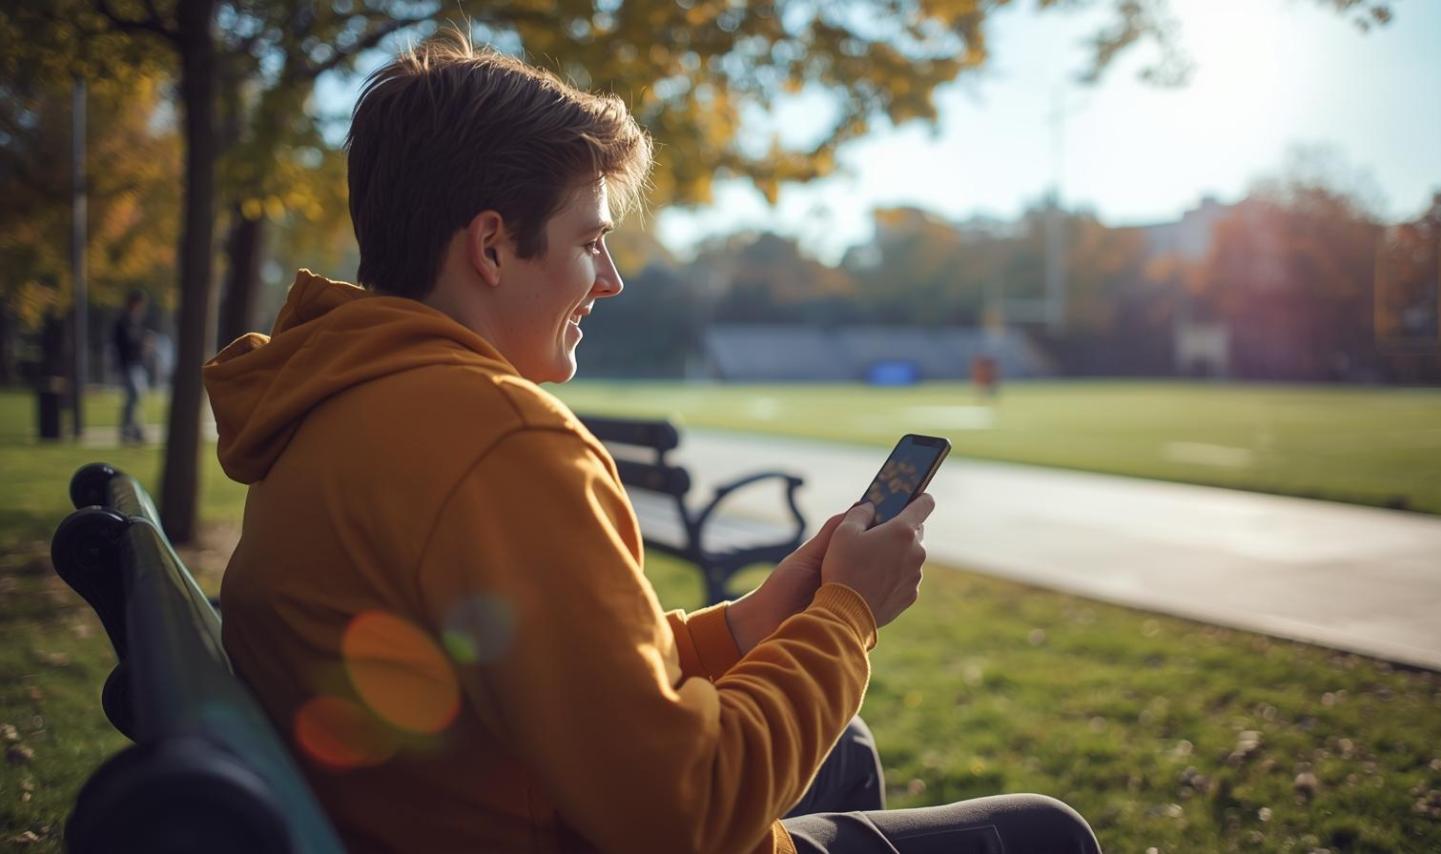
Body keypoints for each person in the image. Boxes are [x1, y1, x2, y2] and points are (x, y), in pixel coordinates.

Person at [204, 35, 1100, 854]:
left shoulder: (333, 402)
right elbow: (683, 811)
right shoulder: (501, 442)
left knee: (844, 746)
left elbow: (550, 667)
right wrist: (848, 615)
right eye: (591, 241)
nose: (613, 280)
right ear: (490, 246)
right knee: (1045, 833)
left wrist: (758, 619)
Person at [113, 289, 149, 444]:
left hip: (137, 363)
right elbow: (125, 343)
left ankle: (135, 429)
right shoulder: (123, 320)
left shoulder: (136, 320)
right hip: (128, 363)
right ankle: (129, 430)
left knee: (136, 397)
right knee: (133, 395)